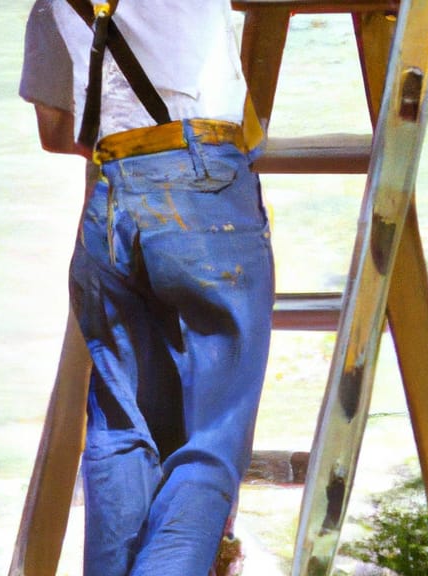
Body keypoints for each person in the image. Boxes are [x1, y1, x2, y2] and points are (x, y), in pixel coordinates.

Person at [20, 2, 274, 574]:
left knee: (118, 433)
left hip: (112, 197)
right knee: (214, 438)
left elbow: (56, 132)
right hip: (203, 185)